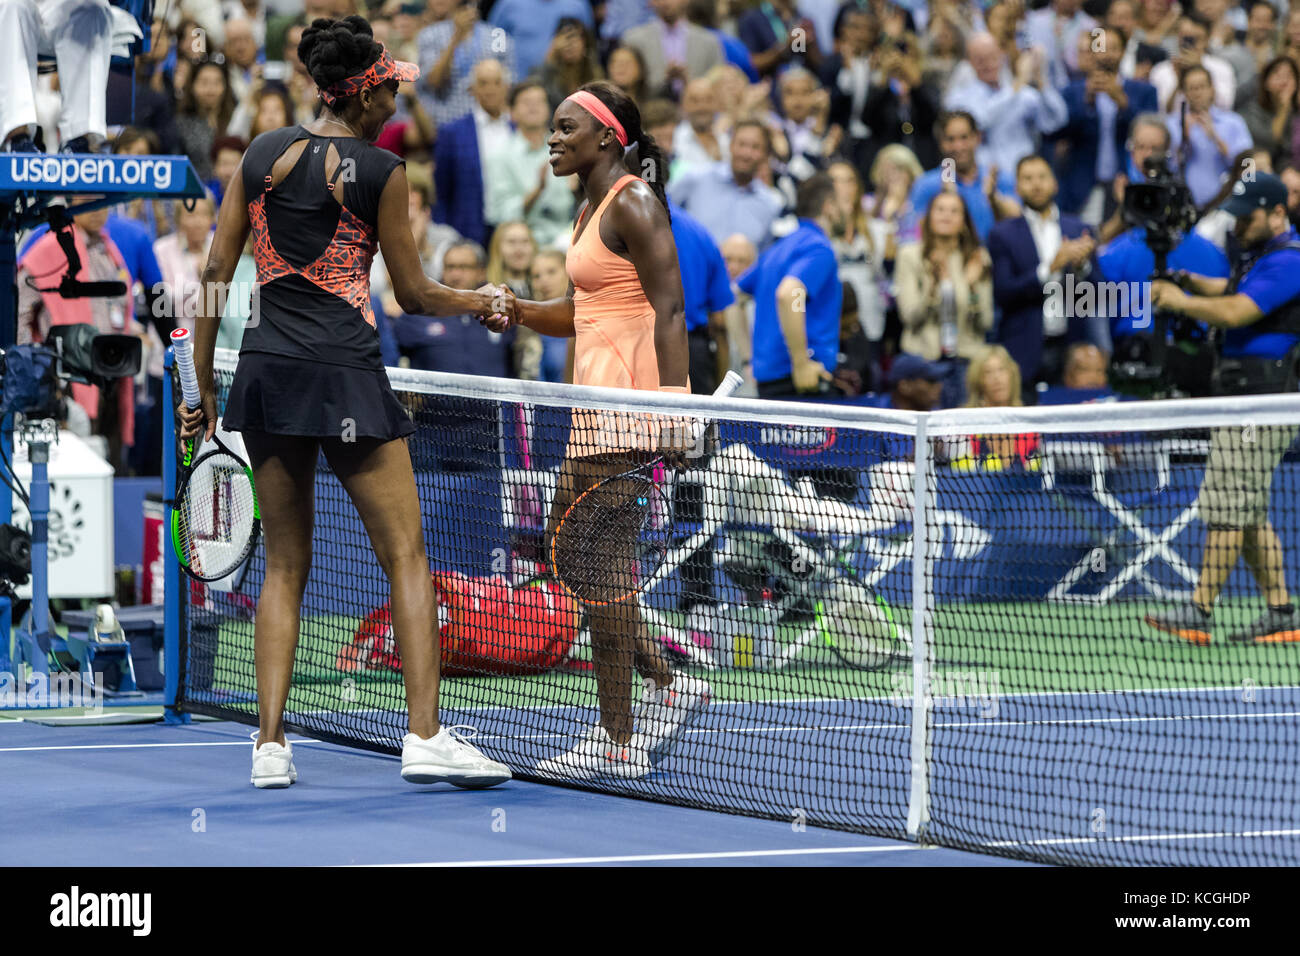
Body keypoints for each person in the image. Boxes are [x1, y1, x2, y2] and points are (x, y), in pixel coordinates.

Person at [179, 15, 512, 790]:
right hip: (347, 376)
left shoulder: (260, 155)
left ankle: (269, 746)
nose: (396, 95)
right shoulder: (381, 170)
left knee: (285, 566)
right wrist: (487, 298)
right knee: (406, 555)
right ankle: (424, 736)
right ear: (362, 95)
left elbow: (214, 272)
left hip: (264, 375)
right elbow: (417, 292)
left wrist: (204, 389)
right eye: (389, 85)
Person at [480, 81, 708, 779]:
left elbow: (671, 310)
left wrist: (675, 408)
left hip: (631, 413)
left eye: (564, 127)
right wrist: (518, 310)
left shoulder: (634, 202)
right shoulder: (590, 209)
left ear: (606, 138)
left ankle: (618, 739)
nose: (552, 138)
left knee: (601, 569)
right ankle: (671, 681)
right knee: (571, 556)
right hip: (595, 412)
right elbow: (585, 311)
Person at [1146, 173, 1300, 644]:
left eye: (1247, 217)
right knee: (1247, 510)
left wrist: (1181, 300)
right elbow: (1231, 289)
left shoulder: (1291, 261)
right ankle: (1282, 613)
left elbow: (1238, 311)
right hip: (1244, 397)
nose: (1237, 227)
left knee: (1227, 504)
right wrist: (1193, 282)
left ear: (1277, 213)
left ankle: (1199, 610)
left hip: (1263, 401)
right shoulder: (1261, 256)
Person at [16, 201, 137, 471]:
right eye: (87, 201)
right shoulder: (52, 247)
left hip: (113, 369)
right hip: (68, 372)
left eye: (103, 201)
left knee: (111, 459)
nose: (97, 209)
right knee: (78, 459)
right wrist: (34, 363)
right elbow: (21, 309)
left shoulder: (109, 250)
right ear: (72, 204)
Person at [989, 154, 1100, 393]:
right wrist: (1049, 270)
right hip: (1023, 349)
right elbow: (1003, 292)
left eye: (1042, 176)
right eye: (1028, 178)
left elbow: (1098, 295)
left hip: (1071, 348)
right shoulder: (1003, 234)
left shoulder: (1080, 229)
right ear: (1017, 186)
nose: (1036, 184)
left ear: (1055, 182)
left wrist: (1082, 267)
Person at [736, 172, 844, 398]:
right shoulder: (819, 248)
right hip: (802, 384)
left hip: (769, 383)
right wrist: (801, 363)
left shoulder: (777, 249)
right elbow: (790, 293)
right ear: (829, 206)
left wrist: (749, 359)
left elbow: (734, 297)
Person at [1052, 24, 1160, 224]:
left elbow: (1154, 135)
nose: (1107, 54)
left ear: (1123, 51)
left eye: (1113, 48)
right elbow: (1058, 133)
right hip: (1084, 186)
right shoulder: (1073, 92)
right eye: (1101, 47)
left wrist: (1123, 103)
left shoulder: (1144, 91)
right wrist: (1088, 102)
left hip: (1127, 182)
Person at [894, 190, 993, 407]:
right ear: (929, 217)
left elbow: (985, 322)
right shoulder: (910, 256)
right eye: (940, 210)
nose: (946, 216)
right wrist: (934, 287)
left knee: (961, 437)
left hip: (966, 362)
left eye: (954, 211)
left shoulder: (978, 258)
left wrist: (972, 287)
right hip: (923, 363)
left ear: (964, 221)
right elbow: (910, 316)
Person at [943, 35, 1067, 176]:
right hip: (982, 178)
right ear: (970, 62)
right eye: (980, 59)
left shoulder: (1021, 94)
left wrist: (1041, 78)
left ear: (1002, 55)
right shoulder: (959, 97)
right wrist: (1018, 82)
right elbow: (980, 121)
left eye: (992, 57)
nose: (988, 64)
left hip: (1022, 176)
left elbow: (1056, 120)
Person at [0, 0, 114, 152]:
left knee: (93, 8)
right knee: (11, 4)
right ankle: (17, 137)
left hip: (65, 11)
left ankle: (79, 138)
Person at [482, 79, 577, 247]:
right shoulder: (499, 156)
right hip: (522, 243)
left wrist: (578, 187)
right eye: (527, 102)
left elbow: (569, 205)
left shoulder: (565, 150)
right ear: (511, 112)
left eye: (540, 102)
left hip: (564, 239)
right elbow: (500, 215)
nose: (534, 107)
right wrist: (537, 191)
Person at [668, 118, 786, 250]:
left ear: (765, 155)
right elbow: (664, 214)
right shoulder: (696, 179)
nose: (746, 153)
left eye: (755, 147)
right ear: (730, 145)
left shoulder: (770, 204)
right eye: (741, 144)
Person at [904, 110, 1019, 244]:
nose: (958, 146)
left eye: (964, 137)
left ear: (977, 138)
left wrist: (994, 199)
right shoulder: (926, 185)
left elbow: (1019, 226)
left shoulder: (1001, 179)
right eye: (950, 139)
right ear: (941, 143)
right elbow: (914, 235)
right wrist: (945, 198)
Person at [432, 58, 512, 246]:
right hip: (466, 229)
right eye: (483, 83)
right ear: (472, 89)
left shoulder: (517, 129)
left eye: (497, 82)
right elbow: (441, 190)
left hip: (509, 226)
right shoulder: (452, 132)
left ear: (507, 87)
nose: (490, 89)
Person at [1165, 65, 1254, 208]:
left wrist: (1216, 139)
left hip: (1225, 204)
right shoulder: (1173, 124)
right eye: (1192, 88)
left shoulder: (1233, 122)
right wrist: (1184, 139)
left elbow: (1248, 165)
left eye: (1202, 87)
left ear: (1212, 89)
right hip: (1183, 205)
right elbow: (1169, 166)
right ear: (1184, 93)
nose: (1197, 93)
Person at [417, 0, 516, 127]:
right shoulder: (430, 34)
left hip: (488, 124)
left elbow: (509, 85)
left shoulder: (497, 36)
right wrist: (457, 36)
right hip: (445, 121)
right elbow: (433, 82)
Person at [621, 0, 724, 99]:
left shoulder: (709, 41)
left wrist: (689, 82)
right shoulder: (633, 40)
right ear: (651, 2)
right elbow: (627, 85)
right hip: (648, 110)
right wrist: (663, 80)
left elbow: (718, 82)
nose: (665, 2)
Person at [1149, 13, 1236, 114]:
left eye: (1196, 39)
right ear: (1178, 38)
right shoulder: (1160, 71)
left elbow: (1226, 106)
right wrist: (1179, 82)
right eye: (1185, 38)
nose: (1190, 44)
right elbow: (1161, 112)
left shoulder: (1221, 68)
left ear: (1206, 40)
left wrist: (1200, 68)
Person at [487, 0, 594, 81]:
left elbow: (590, 47)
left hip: (566, 88)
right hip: (517, 87)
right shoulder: (508, 5)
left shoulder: (577, 5)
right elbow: (492, 48)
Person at [530, 16, 605, 108]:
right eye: (565, 38)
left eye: (575, 37)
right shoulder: (546, 73)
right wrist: (550, 56)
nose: (570, 44)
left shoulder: (595, 74)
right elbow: (535, 93)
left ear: (585, 44)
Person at [1239, 56, 1297, 172]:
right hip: (1256, 171)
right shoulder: (1252, 111)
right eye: (1277, 75)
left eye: (1289, 75)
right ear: (1266, 82)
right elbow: (1272, 143)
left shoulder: (1296, 113)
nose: (1284, 81)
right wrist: (1283, 109)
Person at [859, 352, 944, 410]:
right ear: (905, 386)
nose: (939, 386)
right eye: (931, 381)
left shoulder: (937, 418)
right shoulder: (868, 414)